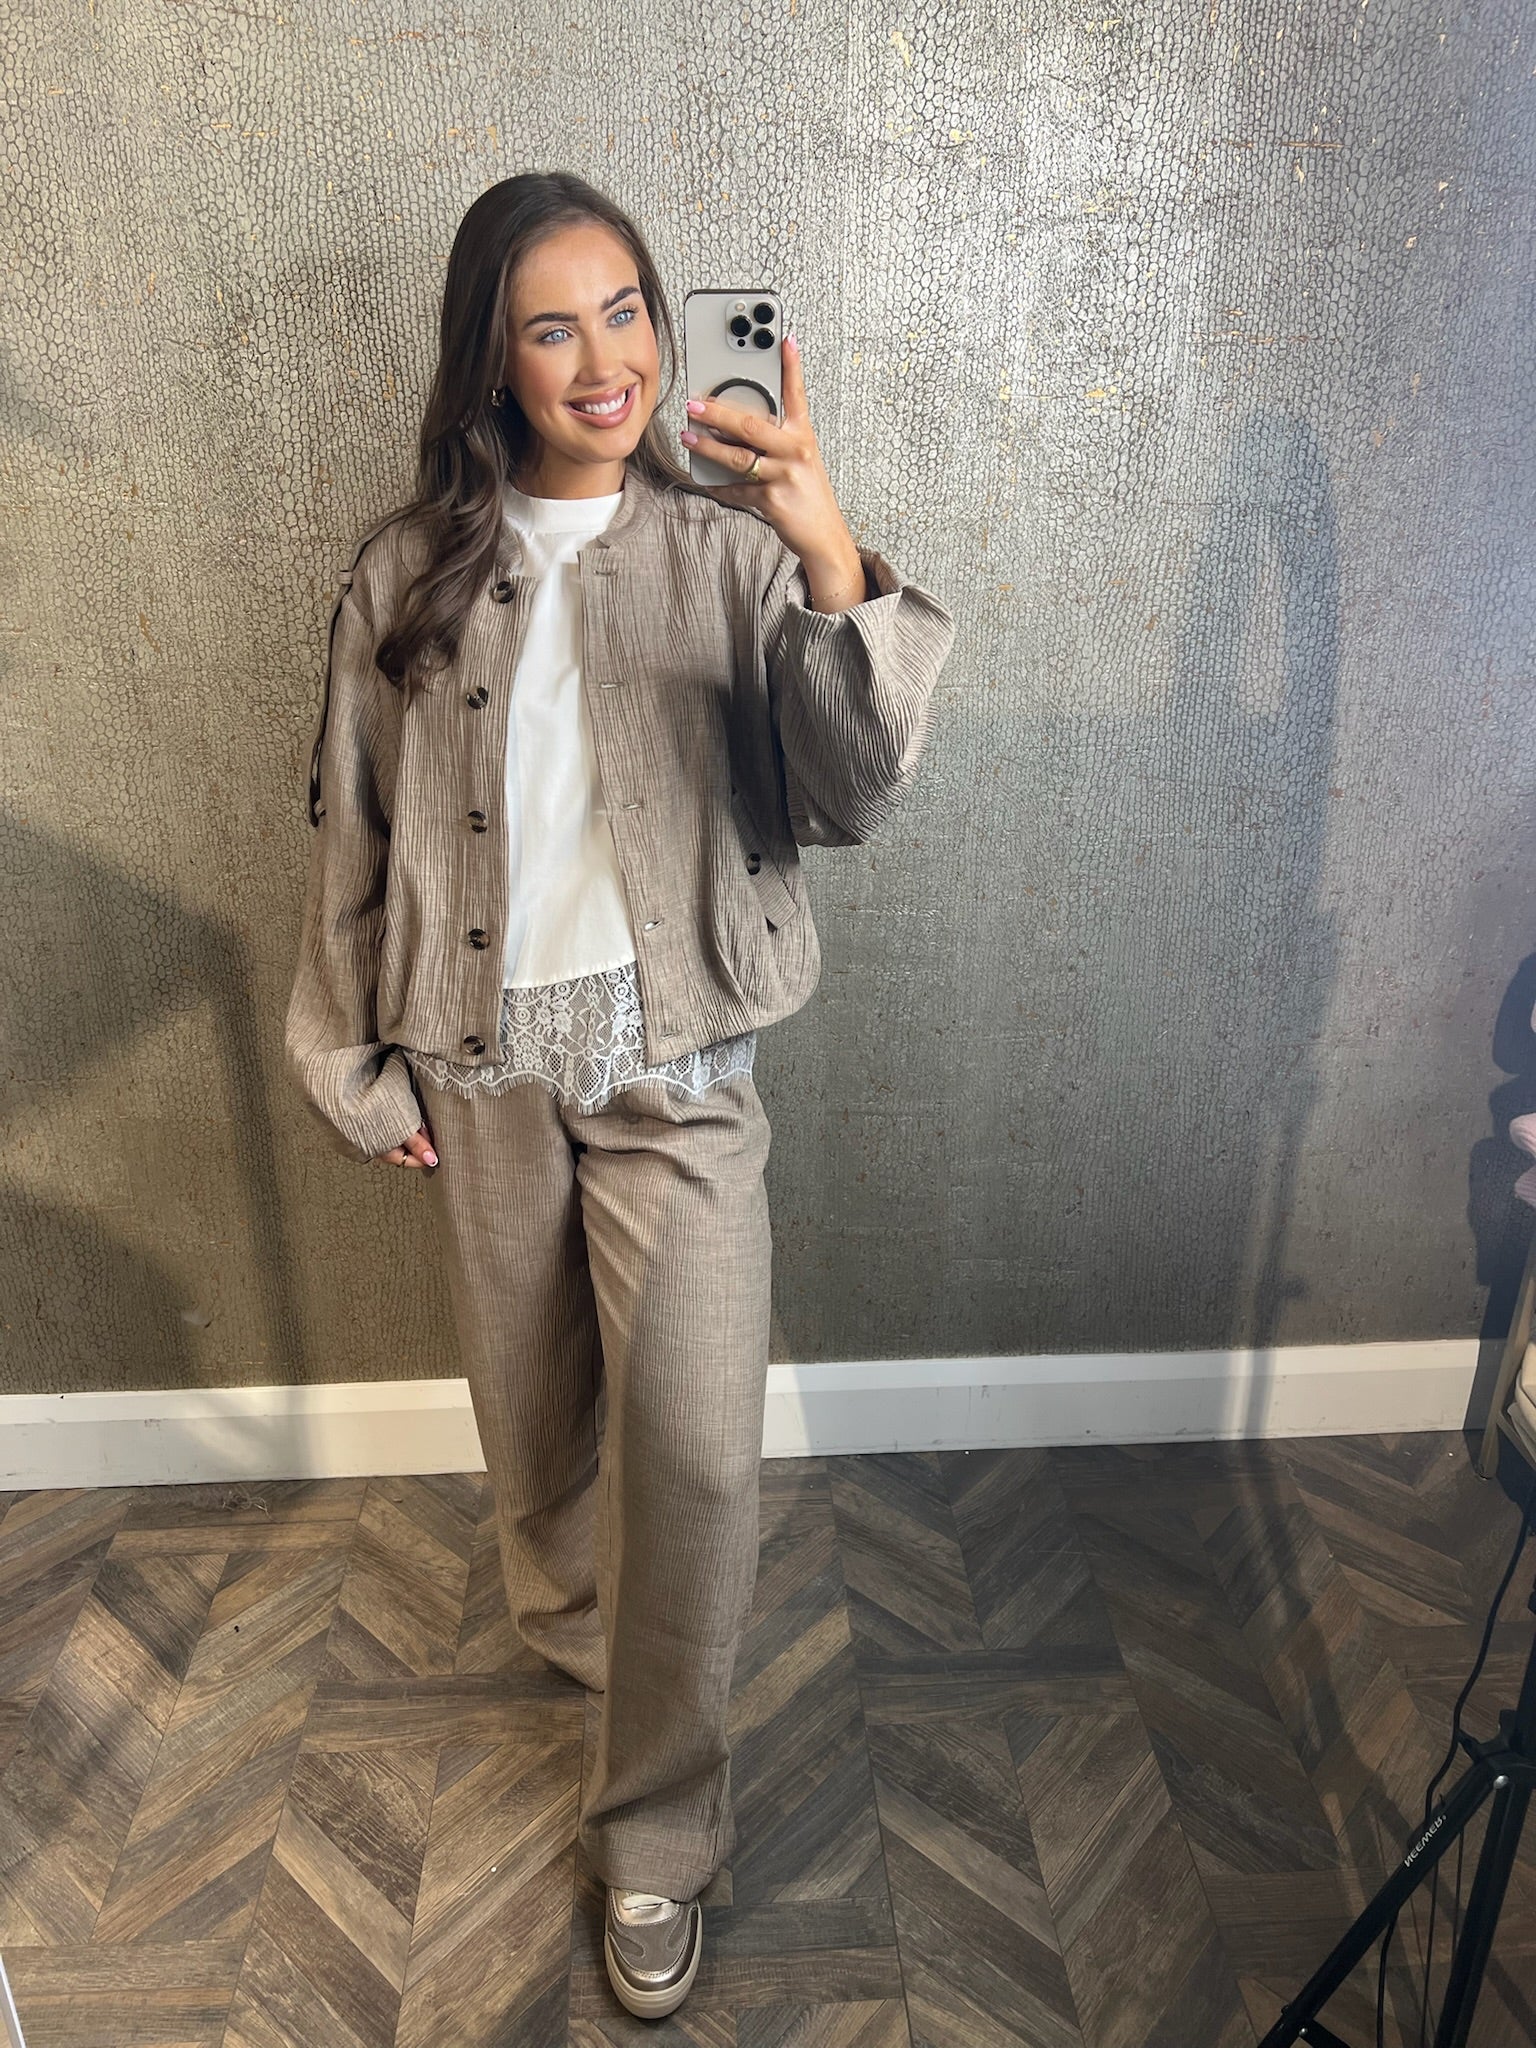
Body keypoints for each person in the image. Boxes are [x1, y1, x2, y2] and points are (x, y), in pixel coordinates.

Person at [284, 169, 955, 2022]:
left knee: (701, 1457)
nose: (606, 359)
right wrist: (354, 1062)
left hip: (682, 1074)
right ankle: (612, 1661)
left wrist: (827, 545)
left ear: (670, 324)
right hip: (485, 1069)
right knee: (542, 1450)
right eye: (553, 326)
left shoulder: (730, 553)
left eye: (630, 310)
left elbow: (855, 792)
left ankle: (655, 1830)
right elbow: (353, 827)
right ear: (491, 361)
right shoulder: (405, 574)